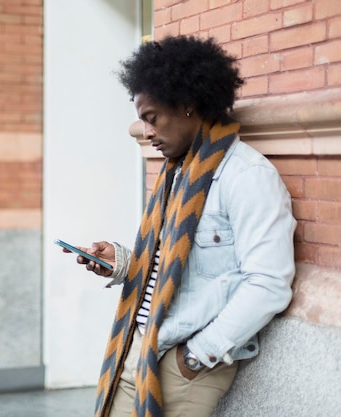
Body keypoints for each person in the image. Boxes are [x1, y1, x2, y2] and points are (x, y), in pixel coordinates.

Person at [62, 36, 296, 417]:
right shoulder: (178, 175)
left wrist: (195, 357)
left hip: (181, 362)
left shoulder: (246, 176)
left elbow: (268, 282)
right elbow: (171, 263)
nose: (146, 132)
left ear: (188, 106)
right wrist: (122, 263)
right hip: (136, 349)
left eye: (152, 118)